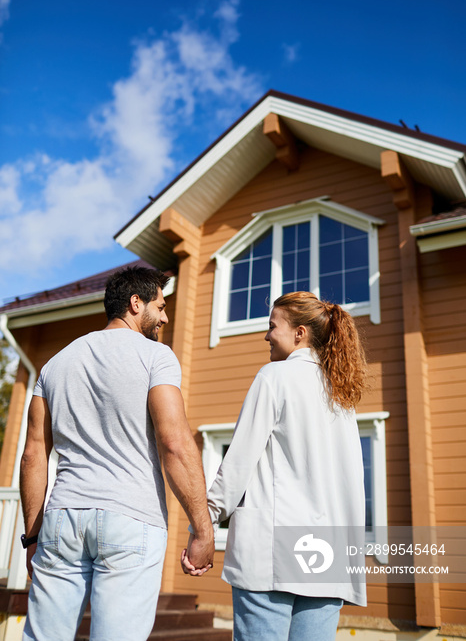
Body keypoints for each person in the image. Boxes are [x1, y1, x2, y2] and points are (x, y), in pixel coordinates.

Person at [20, 266, 214, 641]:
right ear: (135, 303)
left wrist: (32, 538)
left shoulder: (55, 364)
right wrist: (203, 528)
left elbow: (34, 454)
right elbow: (173, 442)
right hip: (131, 518)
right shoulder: (156, 357)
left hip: (63, 519)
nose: (165, 316)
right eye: (160, 306)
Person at [182, 291, 367, 641]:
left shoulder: (274, 377)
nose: (266, 335)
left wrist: (202, 527)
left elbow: (237, 465)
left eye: (272, 326)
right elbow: (352, 483)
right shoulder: (342, 396)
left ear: (299, 333)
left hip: (273, 552)